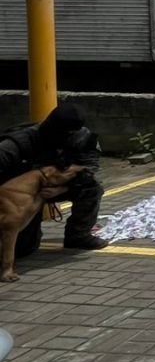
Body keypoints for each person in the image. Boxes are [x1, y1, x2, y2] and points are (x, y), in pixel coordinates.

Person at [0, 104, 108, 255]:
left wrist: (62, 189)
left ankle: (78, 236)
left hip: (56, 188)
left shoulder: (83, 138)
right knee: (23, 249)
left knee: (92, 188)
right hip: (19, 198)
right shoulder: (18, 143)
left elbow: (89, 169)